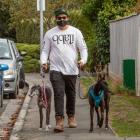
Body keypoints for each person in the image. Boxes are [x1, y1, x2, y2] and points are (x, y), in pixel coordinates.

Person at [40, 7, 88, 133]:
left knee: (71, 95)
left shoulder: (76, 32)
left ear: (68, 18)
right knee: (59, 94)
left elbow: (83, 49)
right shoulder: (50, 33)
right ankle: (59, 120)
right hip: (56, 69)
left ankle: (71, 117)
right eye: (59, 18)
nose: (62, 20)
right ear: (56, 19)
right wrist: (44, 62)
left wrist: (82, 60)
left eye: (64, 18)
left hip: (72, 69)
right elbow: (45, 51)